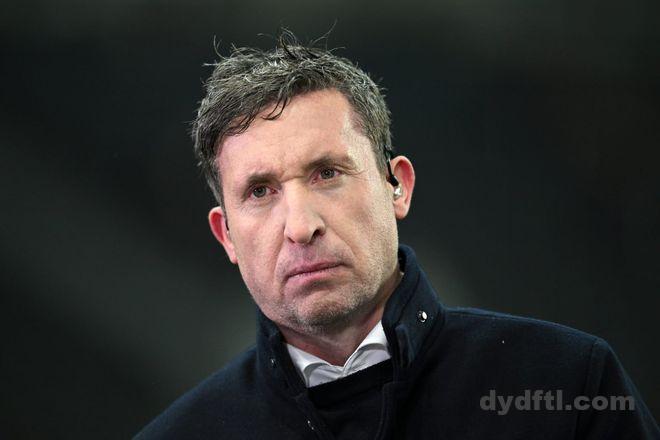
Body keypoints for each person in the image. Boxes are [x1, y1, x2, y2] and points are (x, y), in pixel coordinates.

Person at [136, 33, 659, 439]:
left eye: (327, 173)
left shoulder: (568, 385)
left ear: (397, 186)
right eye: (260, 191)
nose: (299, 226)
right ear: (226, 235)